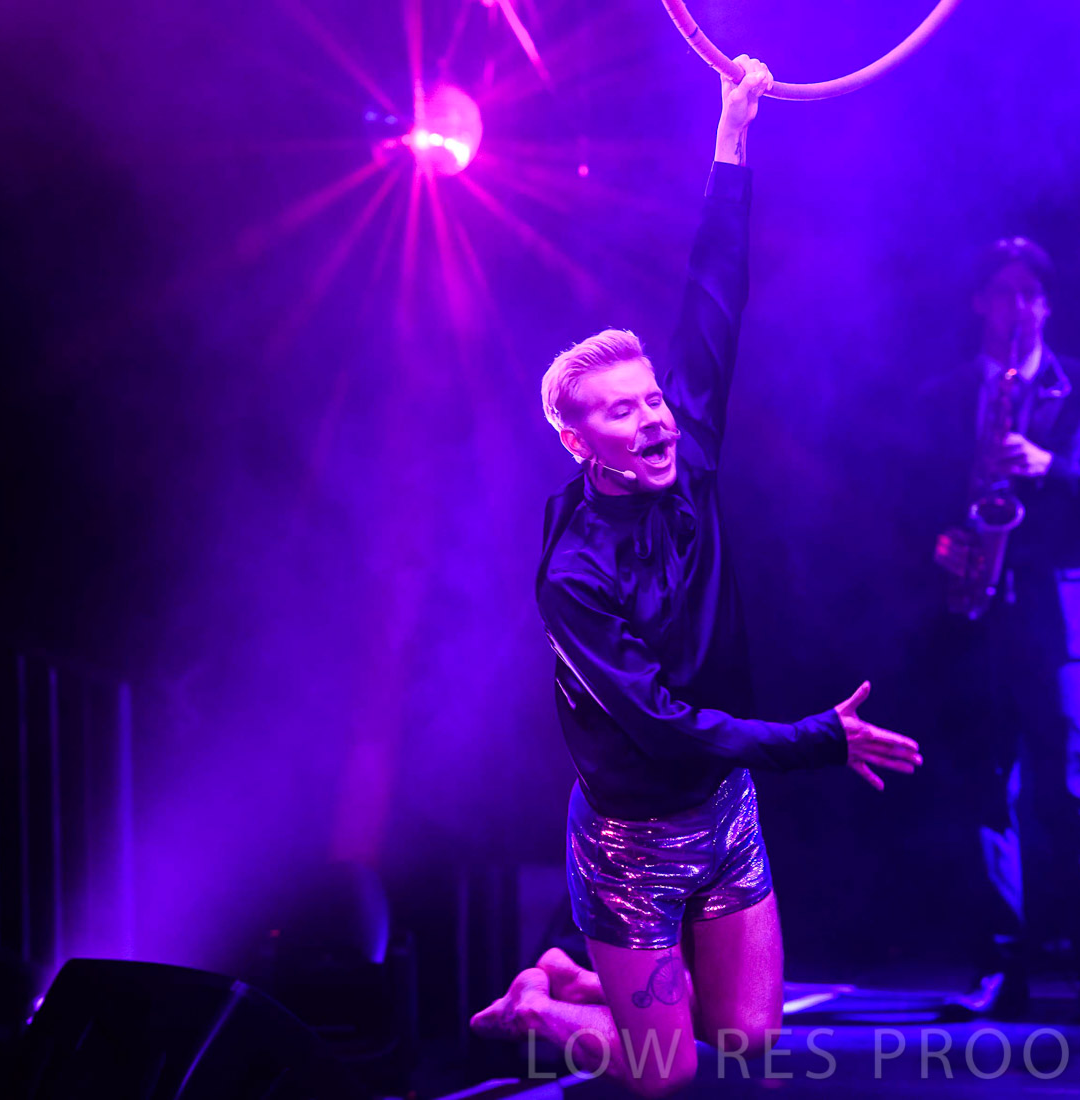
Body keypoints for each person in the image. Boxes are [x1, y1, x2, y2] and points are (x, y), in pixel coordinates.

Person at [469, 58, 922, 1097]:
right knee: (663, 1074)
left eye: (652, 399)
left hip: (725, 806)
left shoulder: (692, 452)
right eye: (622, 411)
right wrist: (818, 737)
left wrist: (733, 129)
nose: (654, 419)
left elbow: (717, 291)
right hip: (634, 837)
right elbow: (667, 728)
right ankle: (541, 1004)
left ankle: (571, 979)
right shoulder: (574, 576)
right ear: (579, 442)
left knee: (747, 1040)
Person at [909, 238, 1080, 1023]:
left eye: (1031, 294)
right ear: (980, 302)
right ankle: (999, 968)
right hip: (975, 614)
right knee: (986, 791)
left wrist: (1051, 466)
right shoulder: (944, 394)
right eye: (1004, 292)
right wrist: (938, 540)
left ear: (1047, 306)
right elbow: (904, 500)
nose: (1018, 308)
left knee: (1074, 792)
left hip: (1062, 622)